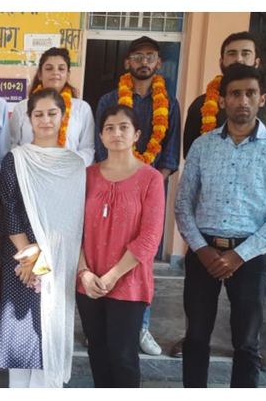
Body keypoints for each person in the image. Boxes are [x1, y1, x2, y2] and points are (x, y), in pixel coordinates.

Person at [174, 31, 266, 367]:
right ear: (223, 100)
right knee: (196, 338)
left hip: (250, 254)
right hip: (204, 249)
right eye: (235, 94)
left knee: (246, 344)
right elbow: (184, 201)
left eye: (250, 94)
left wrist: (240, 254)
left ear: (262, 99)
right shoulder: (203, 144)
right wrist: (201, 249)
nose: (243, 100)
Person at [94, 35, 182, 356]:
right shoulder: (108, 100)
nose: (144, 62)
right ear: (127, 62)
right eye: (138, 56)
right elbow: (100, 147)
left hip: (149, 193)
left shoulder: (169, 103)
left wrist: (149, 185)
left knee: (141, 259)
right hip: (110, 188)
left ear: (158, 63)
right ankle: (102, 323)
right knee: (105, 253)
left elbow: (170, 153)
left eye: (150, 56)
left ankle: (140, 326)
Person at [0, 88, 85, 388]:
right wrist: (31, 257)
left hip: (57, 262)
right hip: (21, 261)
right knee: (21, 344)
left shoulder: (74, 164)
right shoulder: (16, 159)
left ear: (63, 117)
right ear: (29, 119)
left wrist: (45, 258)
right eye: (39, 114)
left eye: (52, 113)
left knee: (48, 336)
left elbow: (73, 219)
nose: (45, 120)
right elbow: (8, 207)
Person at [76, 105, 165, 388]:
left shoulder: (150, 178)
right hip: (89, 281)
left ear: (136, 134)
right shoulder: (86, 176)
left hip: (129, 281)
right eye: (110, 128)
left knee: (123, 356)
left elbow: (150, 237)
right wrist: (83, 272)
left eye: (124, 127)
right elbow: (72, 230)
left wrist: (113, 276)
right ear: (101, 136)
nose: (117, 133)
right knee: (97, 352)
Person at [182, 31, 266, 159]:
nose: (239, 59)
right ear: (221, 62)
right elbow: (191, 156)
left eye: (245, 53)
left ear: (257, 62)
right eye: (232, 53)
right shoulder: (200, 104)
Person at [10, 47, 95, 167]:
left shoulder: (82, 108)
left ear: (68, 74)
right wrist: (31, 162)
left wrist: (65, 164)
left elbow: (88, 149)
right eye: (49, 68)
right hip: (29, 170)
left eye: (61, 69)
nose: (55, 73)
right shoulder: (22, 107)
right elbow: (11, 144)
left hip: (69, 172)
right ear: (40, 74)